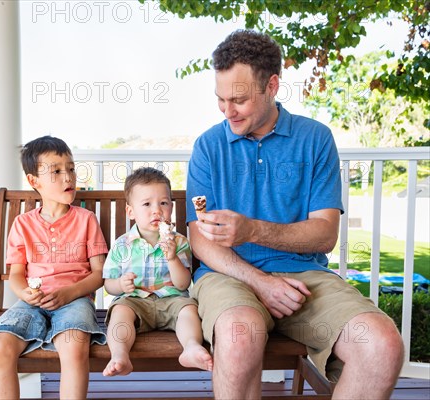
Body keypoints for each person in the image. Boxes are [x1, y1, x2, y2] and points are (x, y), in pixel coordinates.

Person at [186, 30, 404, 399]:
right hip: (230, 275)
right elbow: (199, 239)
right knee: (240, 338)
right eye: (221, 100)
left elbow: (324, 234)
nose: (227, 111)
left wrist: (252, 229)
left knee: (382, 345)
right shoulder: (208, 146)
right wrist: (260, 282)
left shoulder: (315, 139)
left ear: (271, 86)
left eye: (238, 99)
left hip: (307, 278)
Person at [0, 136, 108, 400]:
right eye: (56, 171)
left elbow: (99, 273)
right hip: (31, 303)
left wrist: (69, 294)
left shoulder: (86, 220)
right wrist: (24, 293)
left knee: (73, 346)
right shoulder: (23, 224)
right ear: (34, 182)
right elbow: (15, 274)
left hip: (75, 301)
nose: (67, 177)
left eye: (70, 168)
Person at [102, 167, 213, 377]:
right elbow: (108, 283)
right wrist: (120, 285)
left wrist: (171, 258)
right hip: (135, 300)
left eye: (163, 203)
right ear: (130, 212)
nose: (157, 210)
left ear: (171, 206)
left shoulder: (178, 242)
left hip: (171, 299)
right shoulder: (122, 245)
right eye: (147, 204)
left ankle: (190, 347)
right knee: (119, 312)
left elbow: (182, 284)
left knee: (188, 309)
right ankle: (119, 355)